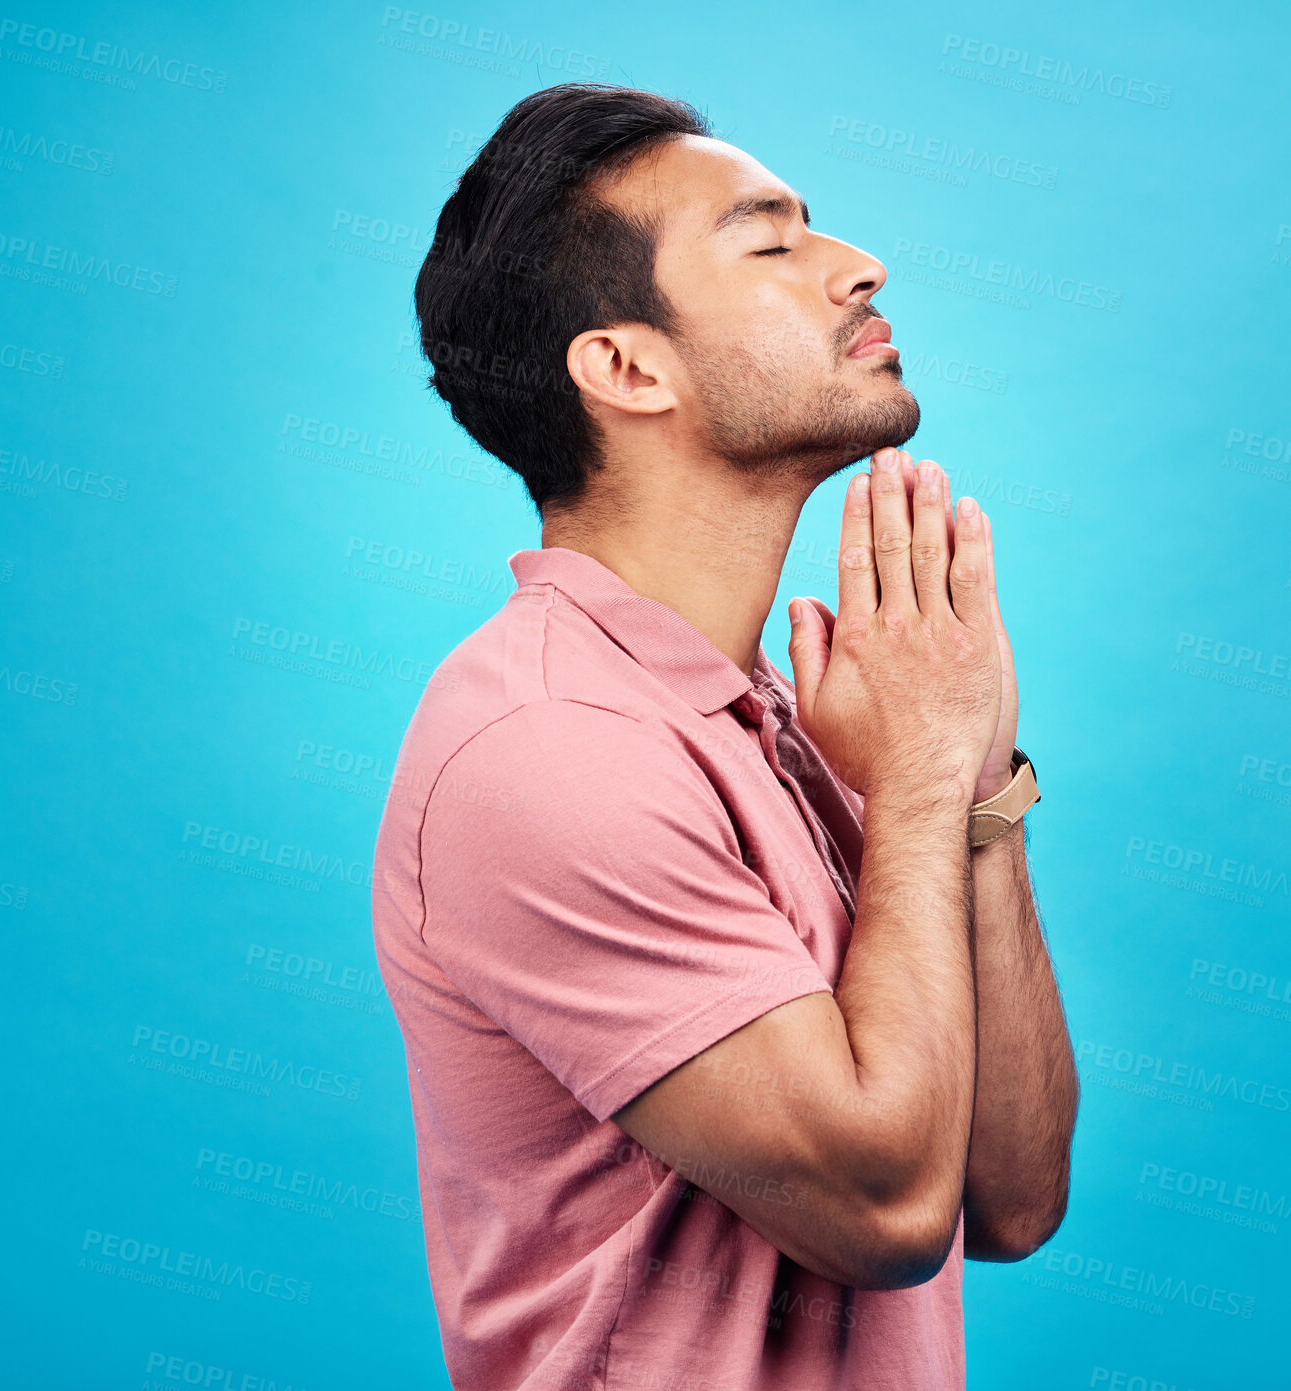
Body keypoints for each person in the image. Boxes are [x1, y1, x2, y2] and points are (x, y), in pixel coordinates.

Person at [372, 81, 1078, 1391]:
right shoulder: (546, 747)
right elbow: (885, 1214)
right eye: (767, 242)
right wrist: (922, 774)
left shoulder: (799, 722)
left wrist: (973, 788)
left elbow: (1007, 1201)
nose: (857, 266)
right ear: (628, 368)